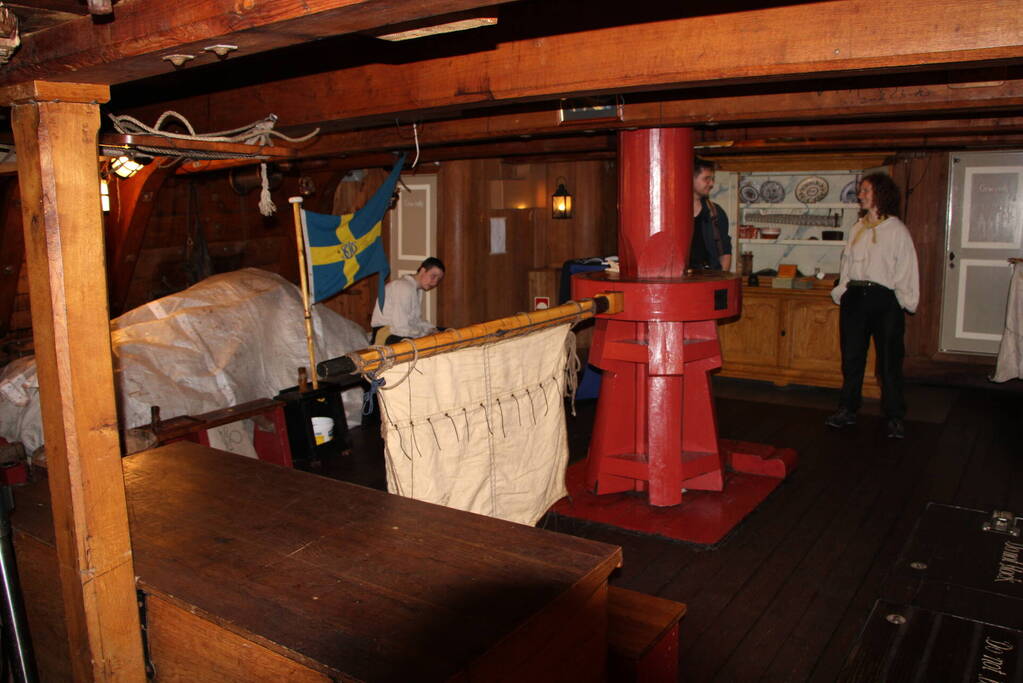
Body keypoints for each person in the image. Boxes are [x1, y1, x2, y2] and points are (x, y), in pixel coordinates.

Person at [826, 173, 919, 439]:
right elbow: (847, 264)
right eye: (861, 191)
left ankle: (894, 416)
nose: (861, 195)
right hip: (855, 297)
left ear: (880, 193)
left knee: (890, 361)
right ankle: (847, 409)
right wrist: (842, 291)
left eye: (865, 190)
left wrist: (905, 301)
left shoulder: (897, 230)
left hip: (884, 299)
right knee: (852, 357)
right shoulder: (857, 228)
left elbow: (906, 268)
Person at [371, 257, 445, 344]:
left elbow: (415, 320)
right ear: (422, 270)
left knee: (446, 332)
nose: (435, 282)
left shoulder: (417, 289)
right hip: (387, 334)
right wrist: (424, 334)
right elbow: (400, 327)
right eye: (433, 276)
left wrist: (432, 329)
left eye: (438, 279)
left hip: (399, 330)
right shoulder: (403, 287)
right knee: (432, 342)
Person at [689, 157, 732, 271]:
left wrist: (721, 279)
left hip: (708, 280)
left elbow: (725, 252)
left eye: (712, 179)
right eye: (706, 179)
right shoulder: (671, 213)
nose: (712, 184)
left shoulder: (716, 212)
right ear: (690, 178)